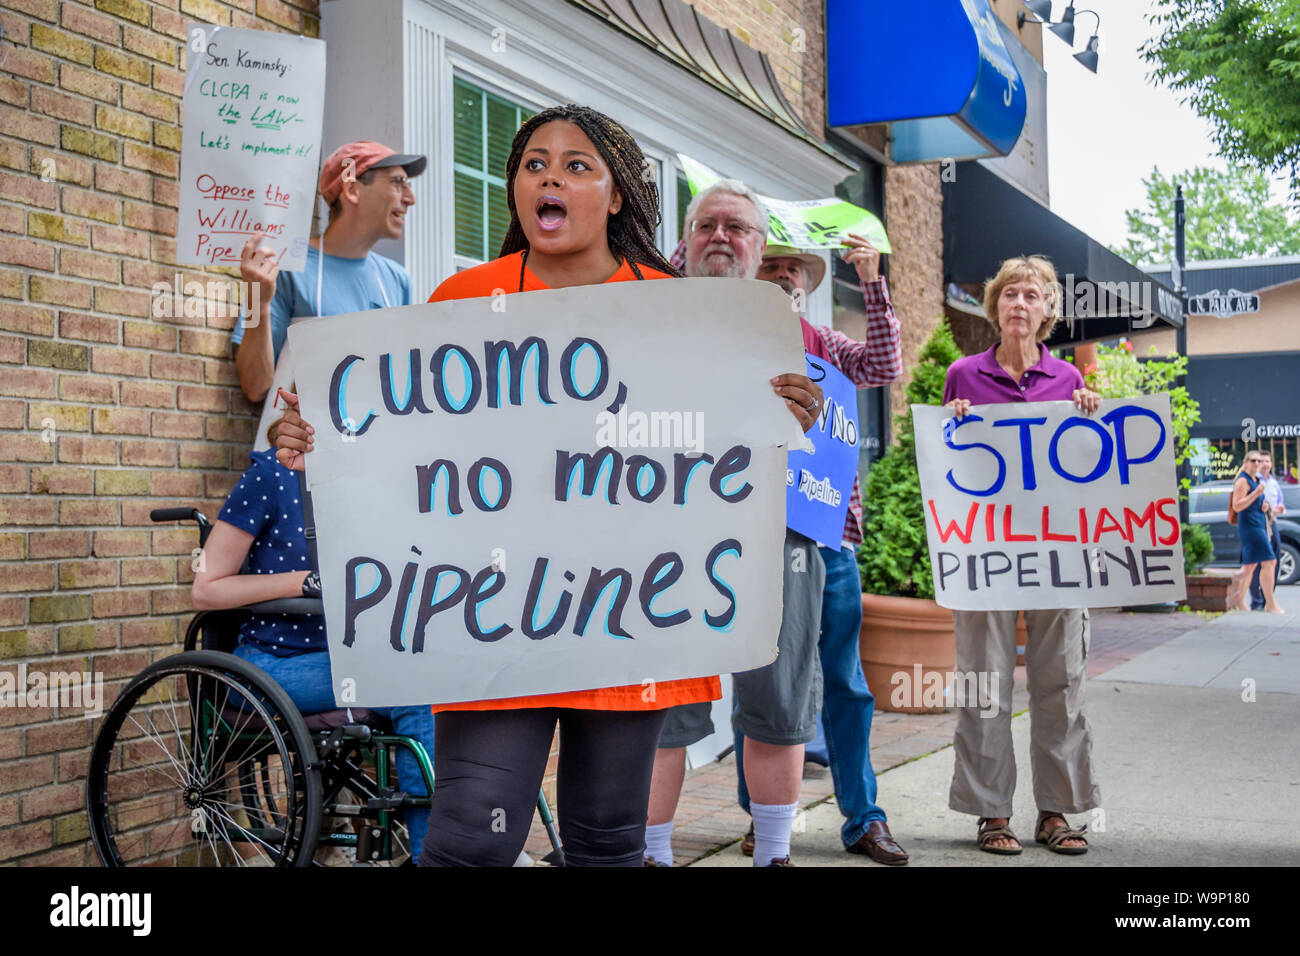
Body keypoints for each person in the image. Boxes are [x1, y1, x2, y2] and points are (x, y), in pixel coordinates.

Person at [273, 108, 824, 867]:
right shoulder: (464, 297)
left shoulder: (678, 305)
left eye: (574, 165)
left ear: (618, 196)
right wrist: (317, 436)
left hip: (630, 615)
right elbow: (403, 434)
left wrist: (787, 411)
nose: (549, 178)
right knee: (470, 841)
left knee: (604, 846)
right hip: (496, 613)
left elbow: (729, 436)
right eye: (534, 165)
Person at [643, 180, 828, 868]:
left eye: (738, 227)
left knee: (778, 698)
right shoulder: (649, 315)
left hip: (777, 530)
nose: (721, 235)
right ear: (686, 242)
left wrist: (809, 417)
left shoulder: (796, 331)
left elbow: (829, 443)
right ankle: (652, 854)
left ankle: (774, 854)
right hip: (670, 529)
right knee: (665, 701)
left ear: (759, 246)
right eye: (708, 225)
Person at [191, 447, 437, 857]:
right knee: (410, 683)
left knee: (446, 671)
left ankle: (464, 832)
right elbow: (206, 588)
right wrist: (303, 582)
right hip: (270, 664)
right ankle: (430, 853)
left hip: (346, 656)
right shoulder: (270, 477)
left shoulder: (366, 475)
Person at [751, 232, 908, 866]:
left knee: (844, 678)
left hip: (830, 535)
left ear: (809, 286)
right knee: (764, 681)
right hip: (760, 532)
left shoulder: (829, 348)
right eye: (773, 264)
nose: (786, 274)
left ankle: (863, 818)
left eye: (796, 269)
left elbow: (885, 365)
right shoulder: (738, 341)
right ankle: (766, 824)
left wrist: (871, 279)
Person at [942, 255, 1102, 856]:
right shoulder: (964, 374)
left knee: (1059, 681)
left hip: (1056, 555)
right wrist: (950, 423)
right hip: (985, 553)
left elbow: (1090, 470)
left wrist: (1092, 419)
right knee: (985, 681)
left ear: (1047, 311)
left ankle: (1055, 812)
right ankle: (991, 814)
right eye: (1009, 294)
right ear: (996, 307)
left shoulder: (1068, 384)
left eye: (1031, 295)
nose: (1018, 304)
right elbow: (946, 464)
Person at [232, 141, 426, 446]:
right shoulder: (287, 269)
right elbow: (256, 386)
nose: (410, 198)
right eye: (397, 183)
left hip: (375, 462)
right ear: (351, 190)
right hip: (301, 466)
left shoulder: (397, 281)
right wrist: (258, 300)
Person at [1233, 451, 1284, 613]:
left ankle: (1239, 601)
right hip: (1251, 527)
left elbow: (1255, 503)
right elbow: (1237, 506)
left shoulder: (1256, 480)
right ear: (1246, 462)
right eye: (1253, 460)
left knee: (1250, 566)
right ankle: (1270, 604)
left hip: (1259, 523)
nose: (1257, 463)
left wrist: (1265, 506)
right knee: (1270, 562)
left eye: (1259, 461)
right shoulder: (1243, 480)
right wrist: (1256, 494)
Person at [1249, 451, 1285, 610]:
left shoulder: (1274, 483)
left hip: (1273, 524)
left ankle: (1268, 599)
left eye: (1268, 461)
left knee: (1274, 562)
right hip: (1257, 526)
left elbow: (1281, 503)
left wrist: (1278, 509)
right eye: (1262, 461)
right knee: (1258, 564)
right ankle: (1256, 601)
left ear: (1271, 464)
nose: (1265, 464)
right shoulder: (1252, 481)